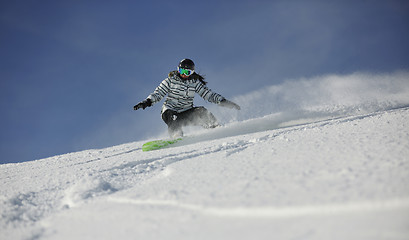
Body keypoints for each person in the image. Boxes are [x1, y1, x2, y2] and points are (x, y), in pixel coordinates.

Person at [134, 58, 240, 138]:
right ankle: (176, 136)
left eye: (187, 72)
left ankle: (216, 129)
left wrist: (223, 101)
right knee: (173, 117)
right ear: (178, 70)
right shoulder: (170, 81)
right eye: (182, 71)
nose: (184, 74)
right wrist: (147, 102)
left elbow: (208, 94)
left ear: (192, 73)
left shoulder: (194, 83)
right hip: (169, 111)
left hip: (185, 112)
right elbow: (158, 93)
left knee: (201, 111)